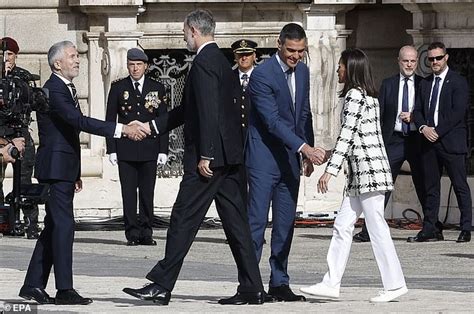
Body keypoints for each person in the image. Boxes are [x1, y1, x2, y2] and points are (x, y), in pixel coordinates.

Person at [122, 9, 266, 306]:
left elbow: (210, 112)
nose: (184, 37)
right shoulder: (221, 62)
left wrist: (206, 154)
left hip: (209, 160)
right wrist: (151, 126)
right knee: (236, 224)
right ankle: (252, 288)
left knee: (182, 218)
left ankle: (161, 285)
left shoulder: (202, 63)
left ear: (193, 31)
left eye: (184, 32)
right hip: (228, 158)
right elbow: (189, 110)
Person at [19, 40, 149, 305]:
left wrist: (76, 171)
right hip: (55, 169)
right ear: (57, 63)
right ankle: (64, 290)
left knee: (54, 227)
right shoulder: (54, 90)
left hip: (64, 169)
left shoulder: (67, 87)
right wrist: (121, 129)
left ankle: (32, 285)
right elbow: (78, 122)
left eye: (77, 56)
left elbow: (68, 133)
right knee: (64, 227)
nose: (77, 60)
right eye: (72, 56)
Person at [300, 48, 408, 303]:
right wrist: (327, 154)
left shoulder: (354, 96)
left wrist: (330, 171)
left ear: (351, 69)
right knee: (342, 226)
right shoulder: (366, 96)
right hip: (361, 176)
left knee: (377, 227)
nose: (338, 70)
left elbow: (348, 136)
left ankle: (394, 285)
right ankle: (331, 282)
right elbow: (351, 137)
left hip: (368, 174)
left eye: (340, 66)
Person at [245, 23, 324, 302]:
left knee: (284, 224)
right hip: (263, 159)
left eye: (301, 51)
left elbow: (303, 113)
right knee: (256, 224)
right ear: (279, 44)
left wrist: (307, 151)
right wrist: (304, 147)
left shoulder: (302, 71)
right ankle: (250, 284)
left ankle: (279, 282)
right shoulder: (261, 74)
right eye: (291, 50)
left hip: (290, 159)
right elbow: (272, 121)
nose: (296, 57)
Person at [353, 45, 425, 243]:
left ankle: (430, 228)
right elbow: (380, 114)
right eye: (405, 61)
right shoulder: (388, 84)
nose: (409, 64)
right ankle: (369, 230)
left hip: (416, 140)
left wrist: (415, 118)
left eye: (412, 61)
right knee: (381, 185)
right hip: (393, 140)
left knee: (424, 183)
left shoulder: (424, 84)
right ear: (398, 61)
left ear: (417, 62)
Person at [106, 48, 169, 246]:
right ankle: (132, 233)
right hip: (126, 148)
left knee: (147, 192)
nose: (135, 69)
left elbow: (163, 121)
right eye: (132, 65)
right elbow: (110, 120)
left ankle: (146, 231)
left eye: (139, 65)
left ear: (146, 66)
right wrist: (112, 149)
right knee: (128, 192)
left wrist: (163, 149)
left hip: (150, 148)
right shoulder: (118, 87)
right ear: (127, 66)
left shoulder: (157, 87)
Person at [411, 42, 472, 243]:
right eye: (431, 59)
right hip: (429, 142)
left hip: (451, 141)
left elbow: (457, 112)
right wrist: (423, 128)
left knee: (460, 185)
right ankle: (430, 228)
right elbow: (417, 111)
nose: (435, 62)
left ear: (446, 57)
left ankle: (465, 228)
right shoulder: (425, 83)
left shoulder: (458, 81)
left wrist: (437, 131)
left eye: (438, 58)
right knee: (430, 187)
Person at [0, 36, 41, 239]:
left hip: (20, 131)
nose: (6, 59)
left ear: (16, 56)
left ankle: (31, 223)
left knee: (24, 180)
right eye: (2, 55)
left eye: (9, 55)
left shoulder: (23, 77)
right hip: (0, 133)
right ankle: (3, 222)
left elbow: (31, 103)